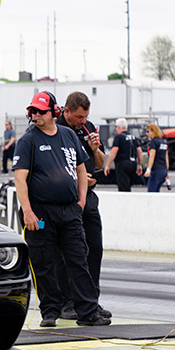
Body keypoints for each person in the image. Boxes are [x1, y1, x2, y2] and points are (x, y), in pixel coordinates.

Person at [12, 92, 109, 328]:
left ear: (53, 112)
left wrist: (81, 202)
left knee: (79, 260)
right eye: (33, 111)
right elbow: (20, 179)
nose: (36, 115)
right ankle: (50, 311)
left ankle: (87, 311)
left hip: (70, 210)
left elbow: (81, 169)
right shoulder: (28, 140)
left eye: (41, 111)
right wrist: (28, 211)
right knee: (44, 263)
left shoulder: (67, 135)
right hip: (41, 211)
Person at [55, 91, 110, 321]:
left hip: (89, 198)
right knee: (68, 253)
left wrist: (95, 149)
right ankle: (67, 302)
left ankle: (91, 300)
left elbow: (100, 164)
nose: (82, 121)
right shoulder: (55, 129)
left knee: (94, 248)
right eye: (78, 117)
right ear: (66, 111)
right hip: (66, 200)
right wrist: (78, 179)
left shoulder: (87, 128)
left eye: (85, 116)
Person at [104, 118, 144, 192]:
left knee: (123, 187)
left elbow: (114, 151)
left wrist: (107, 165)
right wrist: (139, 165)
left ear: (118, 127)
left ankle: (125, 201)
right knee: (128, 185)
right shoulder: (133, 137)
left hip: (122, 164)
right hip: (133, 164)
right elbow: (139, 151)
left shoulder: (119, 137)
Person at [144, 123, 169, 192]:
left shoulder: (153, 142)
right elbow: (166, 158)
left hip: (156, 170)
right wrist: (166, 171)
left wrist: (148, 169)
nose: (147, 134)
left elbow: (152, 156)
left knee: (151, 191)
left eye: (148, 131)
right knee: (157, 191)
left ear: (153, 131)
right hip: (163, 170)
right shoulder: (163, 143)